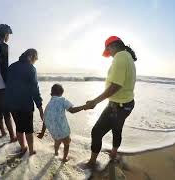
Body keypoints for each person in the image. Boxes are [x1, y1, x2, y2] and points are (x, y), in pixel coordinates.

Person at [84, 36, 137, 168]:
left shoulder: (120, 57)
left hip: (118, 105)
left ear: (112, 46)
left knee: (96, 132)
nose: (111, 55)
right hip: (127, 104)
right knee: (117, 129)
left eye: (109, 52)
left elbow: (116, 85)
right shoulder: (127, 56)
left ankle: (92, 163)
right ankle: (113, 154)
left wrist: (95, 101)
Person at [5, 49, 43, 156]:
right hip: (25, 104)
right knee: (29, 129)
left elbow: (7, 84)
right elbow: (35, 90)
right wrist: (40, 108)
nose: (35, 61)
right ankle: (31, 151)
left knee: (19, 127)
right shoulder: (31, 69)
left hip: (12, 104)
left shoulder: (11, 67)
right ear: (30, 56)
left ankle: (23, 148)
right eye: (35, 58)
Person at [37, 84, 86, 162]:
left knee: (57, 141)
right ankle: (64, 158)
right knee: (67, 143)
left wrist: (42, 132)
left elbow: (45, 120)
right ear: (61, 93)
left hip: (54, 131)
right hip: (63, 129)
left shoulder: (48, 105)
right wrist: (84, 107)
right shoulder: (62, 100)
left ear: (51, 93)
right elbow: (72, 110)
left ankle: (56, 152)